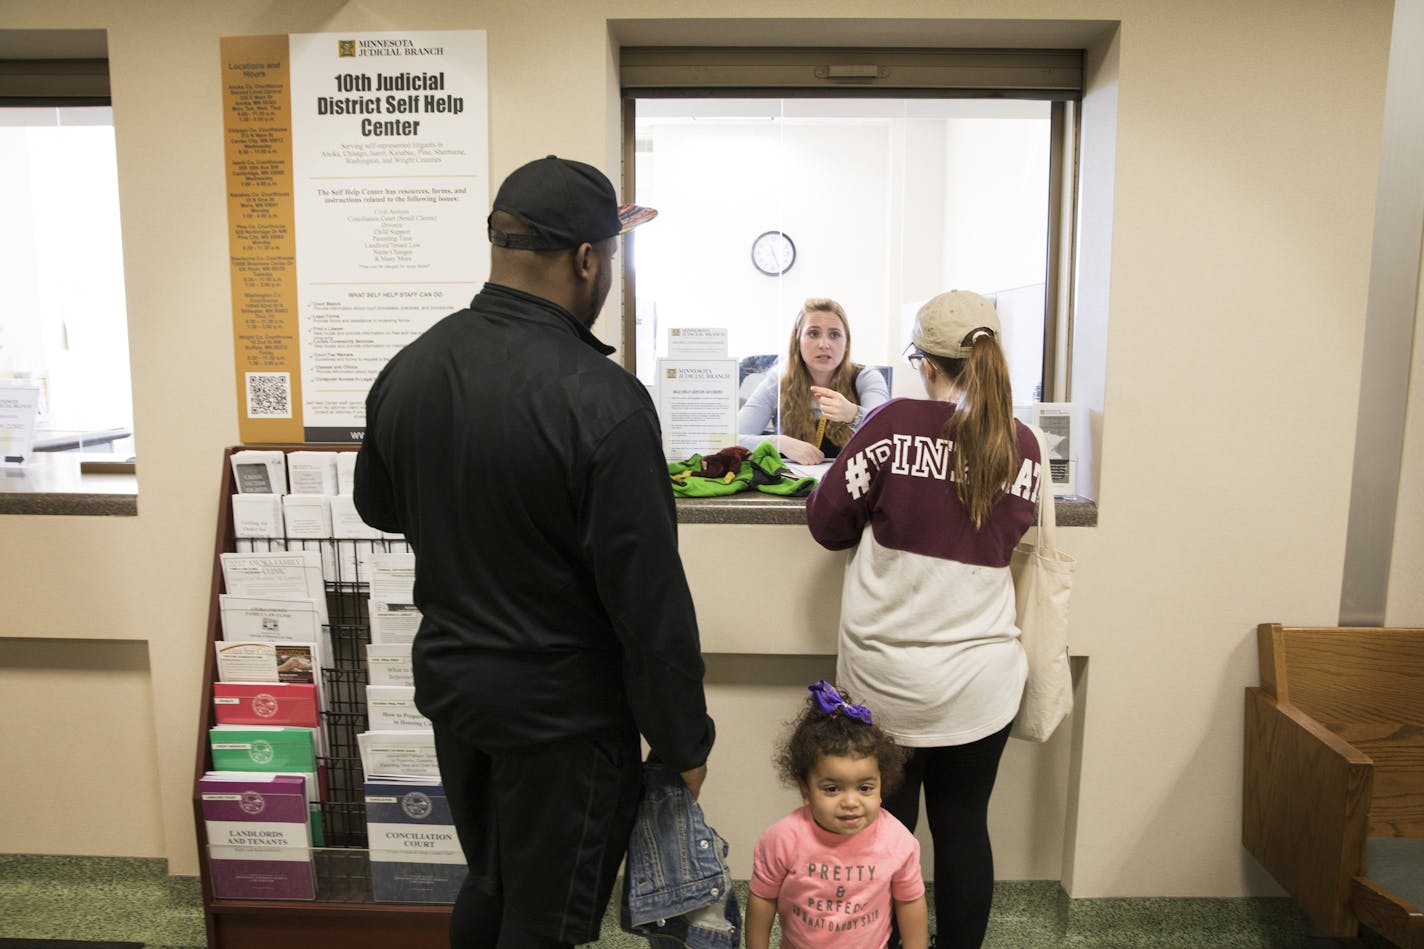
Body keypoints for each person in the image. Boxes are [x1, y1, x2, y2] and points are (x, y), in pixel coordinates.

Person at [353, 155, 715, 949]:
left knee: (489, 881)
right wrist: (685, 740)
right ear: (587, 259)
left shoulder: (410, 369)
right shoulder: (604, 402)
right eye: (610, 256)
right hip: (565, 722)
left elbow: (377, 507)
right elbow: (647, 598)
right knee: (545, 922)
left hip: (458, 695)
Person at [804, 290, 1045, 949]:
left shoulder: (891, 421)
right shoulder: (1023, 444)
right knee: (965, 824)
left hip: (887, 686)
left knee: (889, 831)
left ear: (927, 362)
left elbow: (827, 523)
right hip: (982, 680)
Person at [746, 679, 927, 949]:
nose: (851, 802)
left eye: (865, 787)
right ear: (805, 789)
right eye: (832, 789)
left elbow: (910, 901)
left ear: (882, 785)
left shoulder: (897, 841)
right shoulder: (782, 838)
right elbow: (762, 898)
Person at [737, 298, 890, 465]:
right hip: (794, 485)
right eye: (813, 333)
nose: (824, 344)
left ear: (846, 342)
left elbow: (887, 435)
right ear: (797, 341)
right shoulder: (778, 381)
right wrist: (777, 443)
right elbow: (727, 440)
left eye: (834, 335)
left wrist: (853, 414)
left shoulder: (866, 377)